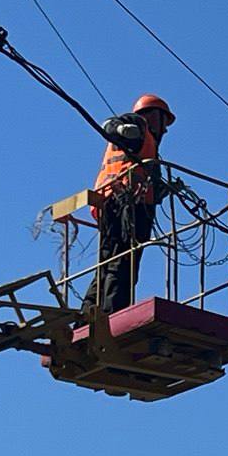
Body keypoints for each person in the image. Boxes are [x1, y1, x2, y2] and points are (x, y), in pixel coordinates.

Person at [82, 93, 176, 313]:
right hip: (126, 204)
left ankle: (87, 314)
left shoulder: (147, 146)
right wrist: (124, 130)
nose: (165, 130)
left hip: (113, 202)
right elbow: (110, 126)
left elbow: (149, 181)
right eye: (164, 122)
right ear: (154, 115)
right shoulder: (138, 124)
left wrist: (164, 189)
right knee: (124, 262)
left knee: (108, 262)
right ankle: (111, 313)